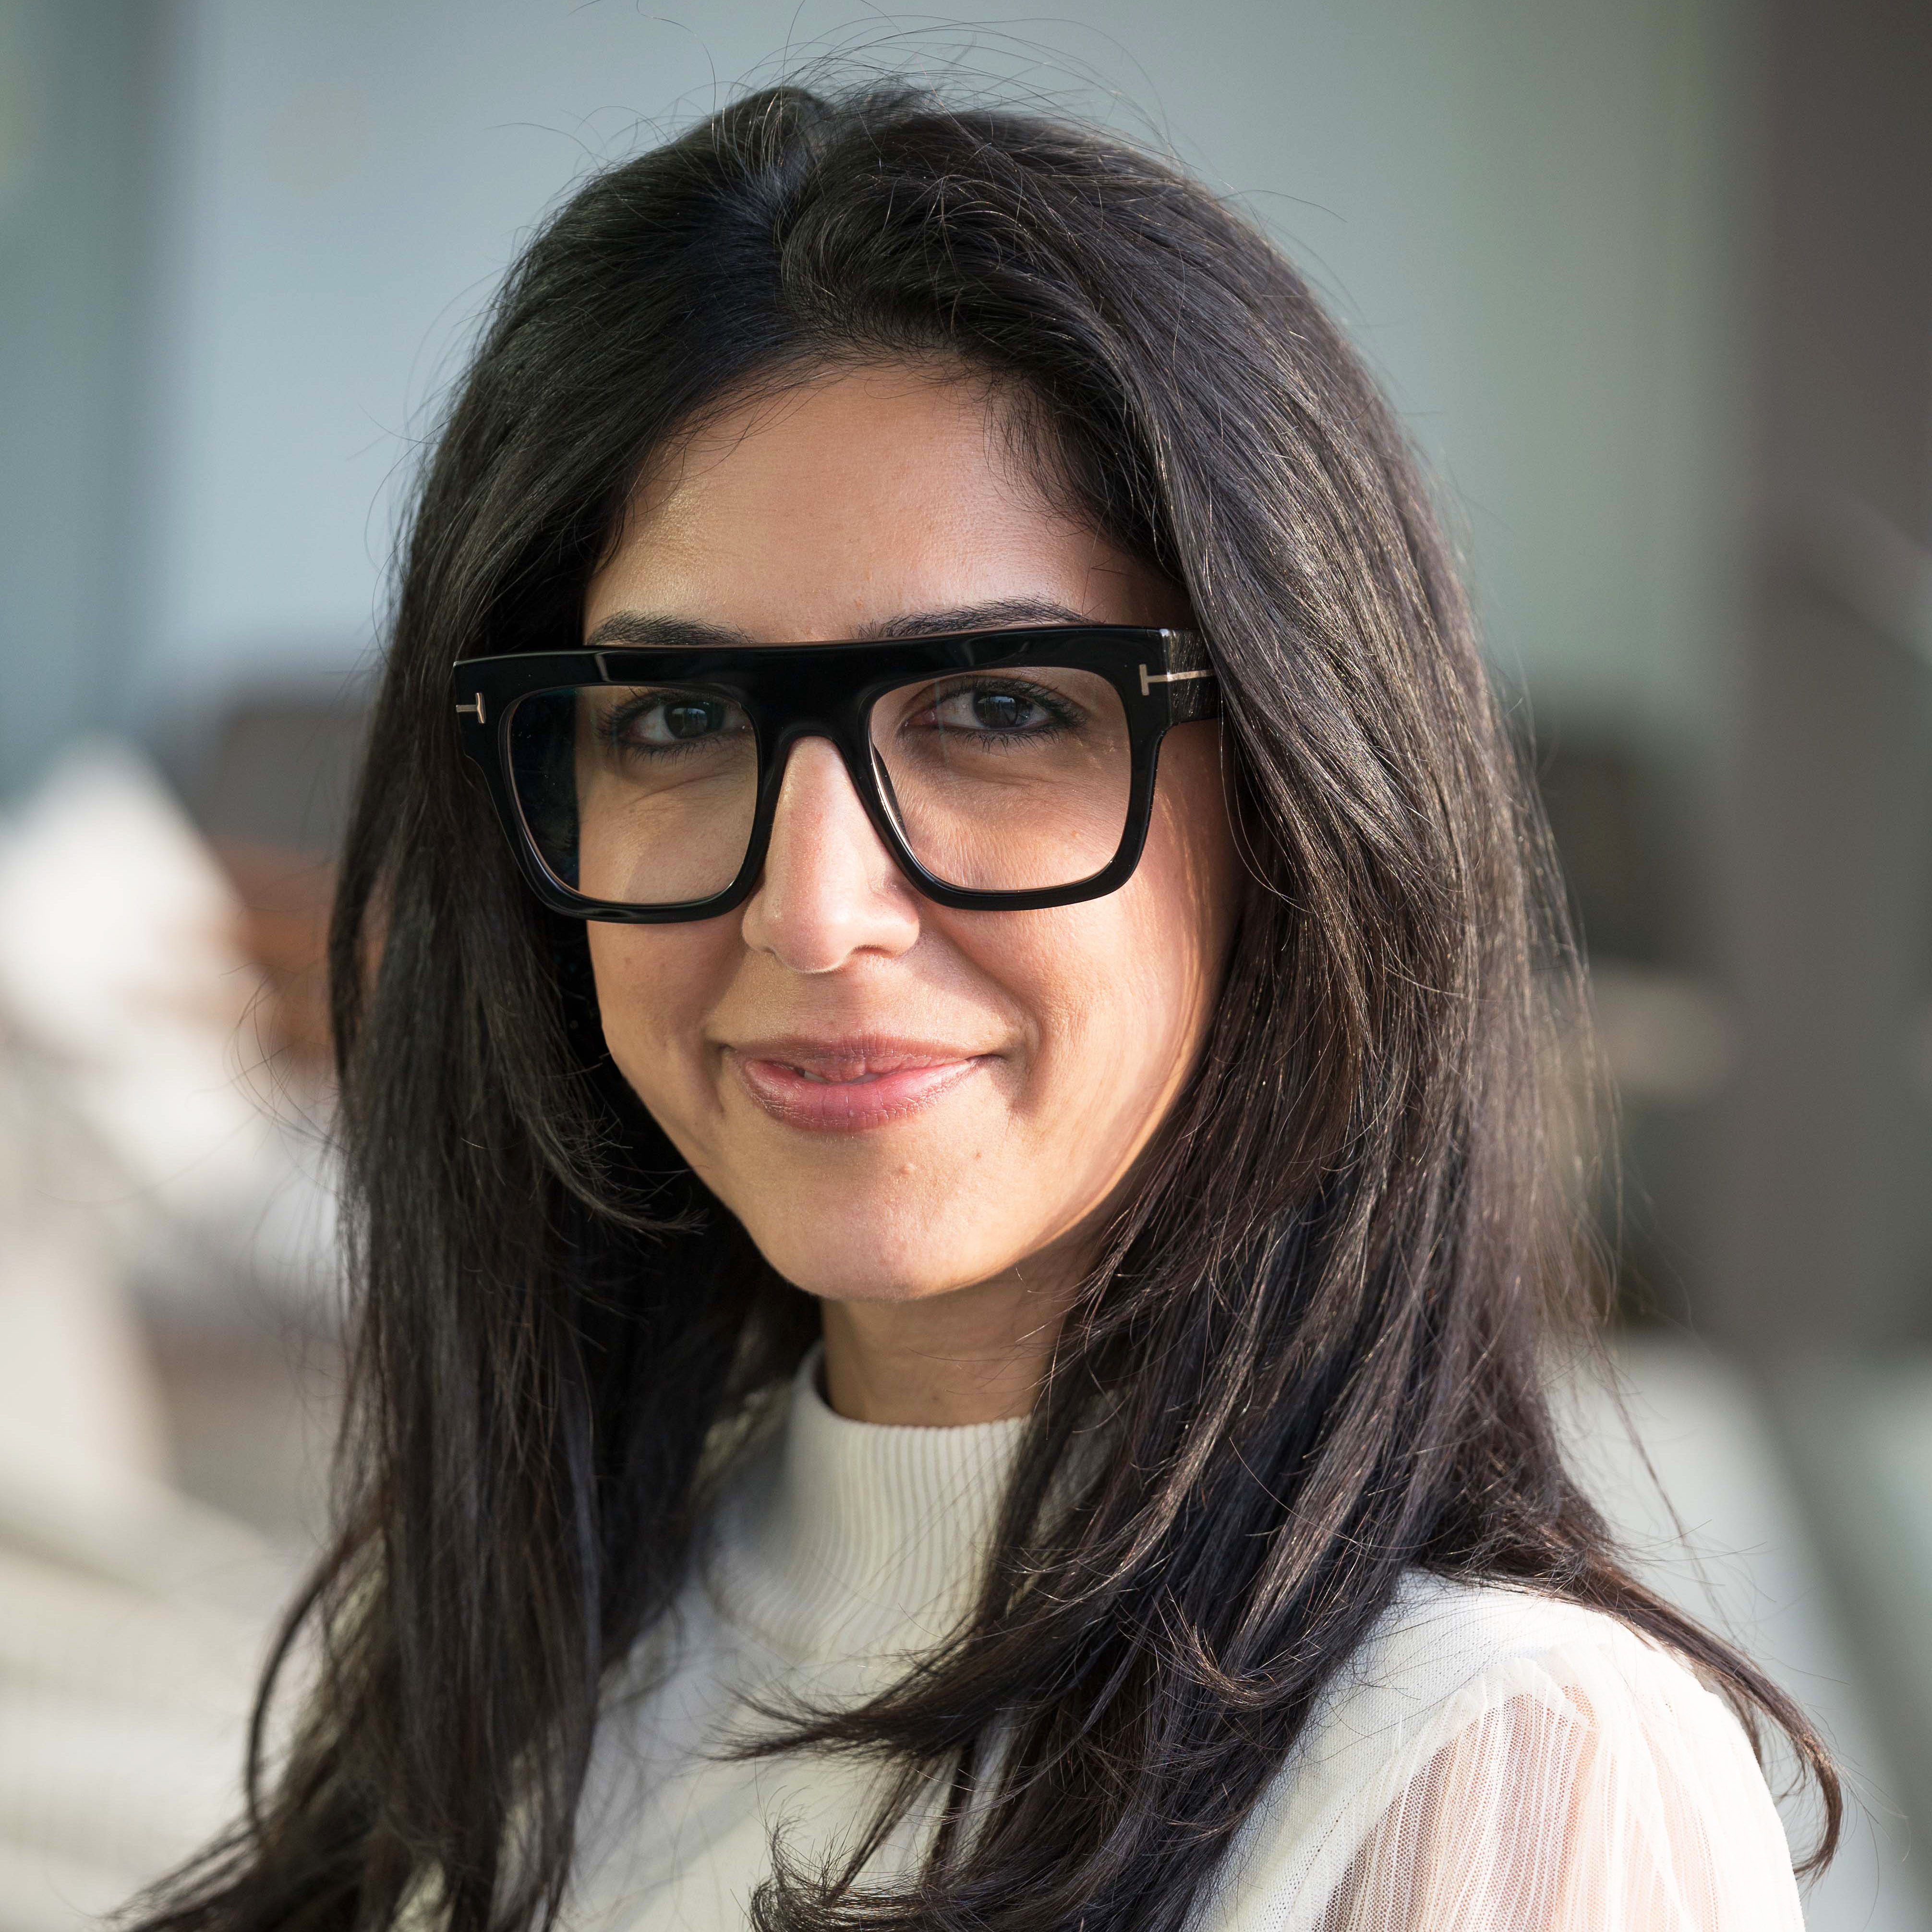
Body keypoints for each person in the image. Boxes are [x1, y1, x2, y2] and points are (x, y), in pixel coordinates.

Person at [139, 84, 1835, 1932]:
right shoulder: (524, 1643)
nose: (812, 913)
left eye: (1001, 708)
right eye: (679, 720)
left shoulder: (1493, 1768)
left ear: (1304, 803)